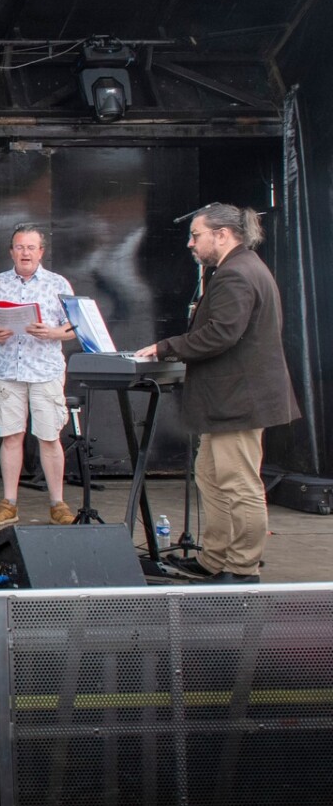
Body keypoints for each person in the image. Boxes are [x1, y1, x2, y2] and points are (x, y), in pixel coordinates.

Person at [134, 203, 300, 584]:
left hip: (238, 401)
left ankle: (241, 568)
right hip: (231, 400)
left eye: (197, 235)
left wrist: (165, 347)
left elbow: (222, 333)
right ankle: (215, 558)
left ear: (222, 235)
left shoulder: (236, 274)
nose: (191, 244)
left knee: (239, 484)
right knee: (210, 476)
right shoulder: (240, 268)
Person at [0, 224, 78, 527]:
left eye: (31, 247)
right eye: (20, 247)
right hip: (8, 370)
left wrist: (54, 331)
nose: (25, 253)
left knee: (49, 437)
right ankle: (9, 502)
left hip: (45, 370)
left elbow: (74, 326)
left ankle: (58, 503)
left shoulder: (58, 283)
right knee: (11, 436)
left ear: (41, 251)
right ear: (11, 251)